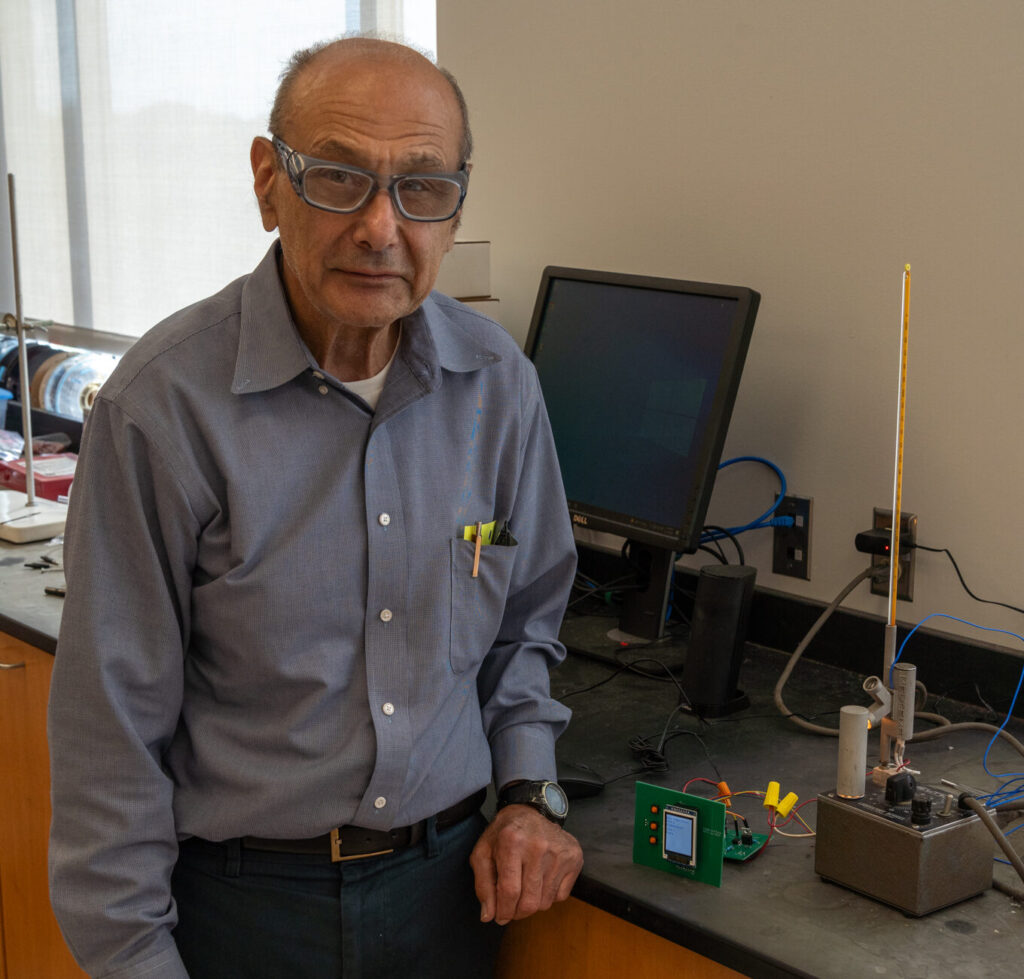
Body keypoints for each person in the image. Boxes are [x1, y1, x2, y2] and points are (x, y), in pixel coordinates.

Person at [48, 36, 583, 978]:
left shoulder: (499, 386)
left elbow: (526, 626)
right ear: (267, 180)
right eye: (339, 177)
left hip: (448, 900)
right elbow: (110, 739)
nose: (382, 227)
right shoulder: (161, 409)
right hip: (242, 911)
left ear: (457, 203)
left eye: (422, 188)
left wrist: (529, 790)